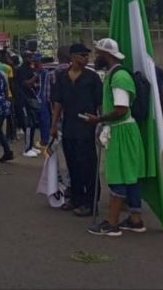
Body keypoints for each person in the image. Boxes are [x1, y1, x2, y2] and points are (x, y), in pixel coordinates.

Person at [86, 38, 146, 236]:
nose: (95, 57)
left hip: (121, 130)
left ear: (107, 55)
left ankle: (112, 223)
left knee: (118, 176)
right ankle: (135, 220)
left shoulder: (119, 77)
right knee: (131, 176)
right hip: (124, 130)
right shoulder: (115, 74)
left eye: (98, 53)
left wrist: (99, 119)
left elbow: (121, 109)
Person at [50, 43, 102, 216]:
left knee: (88, 164)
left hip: (87, 127)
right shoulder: (63, 77)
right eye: (82, 55)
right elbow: (58, 102)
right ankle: (76, 198)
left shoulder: (92, 77)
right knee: (72, 164)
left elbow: (100, 103)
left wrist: (102, 124)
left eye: (87, 56)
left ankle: (91, 201)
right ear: (72, 57)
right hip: (69, 126)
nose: (86, 59)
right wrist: (53, 125)